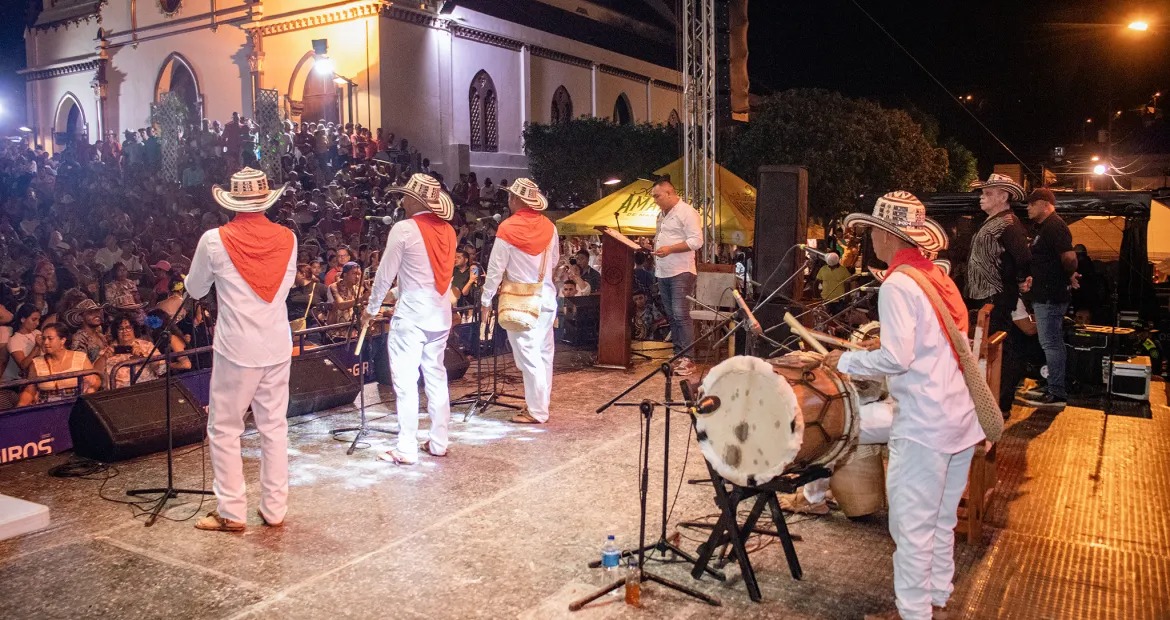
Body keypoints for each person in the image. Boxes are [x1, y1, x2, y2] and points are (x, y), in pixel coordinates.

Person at [825, 191, 982, 620]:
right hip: (960, 420)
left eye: (873, 230)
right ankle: (935, 597)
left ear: (888, 235)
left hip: (926, 424)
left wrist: (844, 358)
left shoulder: (898, 284)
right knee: (941, 521)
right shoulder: (938, 278)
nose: (870, 238)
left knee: (911, 527)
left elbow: (897, 359)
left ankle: (913, 613)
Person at [186, 167, 298, 532]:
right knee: (274, 426)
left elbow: (197, 289)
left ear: (232, 201)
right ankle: (275, 509)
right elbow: (286, 285)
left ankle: (232, 511)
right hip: (277, 343)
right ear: (266, 199)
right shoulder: (289, 238)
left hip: (237, 347)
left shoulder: (214, 240)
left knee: (224, 428)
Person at [362, 173, 456, 465]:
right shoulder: (449, 232)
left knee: (406, 383)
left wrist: (372, 306)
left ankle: (406, 448)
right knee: (436, 379)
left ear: (416, 199)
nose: (401, 200)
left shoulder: (404, 229)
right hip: (439, 315)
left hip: (412, 317)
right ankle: (439, 442)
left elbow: (385, 272)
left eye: (405, 196)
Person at [481, 179, 559, 424]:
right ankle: (540, 403)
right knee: (544, 352)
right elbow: (554, 260)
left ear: (515, 200)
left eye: (511, 196)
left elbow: (495, 268)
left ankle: (537, 410)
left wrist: (486, 300)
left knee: (528, 355)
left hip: (521, 301)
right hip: (546, 296)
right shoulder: (550, 227)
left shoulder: (508, 228)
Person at [966, 173, 1031, 414]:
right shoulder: (993, 221)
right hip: (986, 296)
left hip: (997, 296)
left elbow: (1023, 257)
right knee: (991, 347)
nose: (982, 197)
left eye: (988, 193)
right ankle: (992, 398)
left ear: (1003, 196)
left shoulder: (1009, 224)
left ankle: (1000, 400)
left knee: (1000, 347)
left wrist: (1022, 280)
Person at [1019, 188, 1076, 409]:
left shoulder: (1055, 226)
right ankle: (1053, 387)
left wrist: (1069, 275)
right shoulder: (1045, 228)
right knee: (1050, 343)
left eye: (1032, 204)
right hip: (1045, 294)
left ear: (1044, 204)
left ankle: (1057, 392)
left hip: (1051, 296)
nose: (1028, 208)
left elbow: (1069, 258)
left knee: (1051, 344)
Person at [650, 179, 703, 376]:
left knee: (681, 314)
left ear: (670, 192)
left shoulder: (687, 212)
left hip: (681, 270)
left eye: (657, 196)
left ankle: (689, 359)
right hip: (663, 270)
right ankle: (678, 354)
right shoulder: (661, 215)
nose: (655, 200)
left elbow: (697, 241)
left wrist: (670, 249)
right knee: (671, 315)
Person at [17, 324, 98, 406]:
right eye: (44, 338)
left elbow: (95, 382)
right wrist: (19, 407)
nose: (45, 342)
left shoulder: (80, 358)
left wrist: (91, 388)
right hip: (45, 409)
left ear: (62, 340)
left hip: (75, 407)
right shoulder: (36, 363)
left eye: (50, 339)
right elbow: (29, 390)